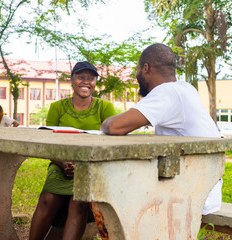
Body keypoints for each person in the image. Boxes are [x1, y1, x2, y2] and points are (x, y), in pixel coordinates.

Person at [101, 43, 222, 216]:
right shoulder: (185, 88)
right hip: (204, 185)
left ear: (146, 68)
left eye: (137, 70)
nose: (136, 76)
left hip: (193, 192)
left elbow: (115, 126)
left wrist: (104, 123)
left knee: (115, 189)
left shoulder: (167, 92)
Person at [29, 61, 116, 240]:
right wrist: (62, 163)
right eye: (81, 77)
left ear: (95, 82)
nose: (86, 81)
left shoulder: (105, 107)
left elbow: (110, 144)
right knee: (48, 200)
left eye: (91, 78)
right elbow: (48, 144)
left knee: (79, 204)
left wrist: (83, 165)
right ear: (72, 80)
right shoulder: (57, 108)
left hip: (91, 168)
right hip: (60, 164)